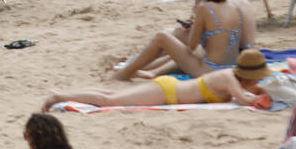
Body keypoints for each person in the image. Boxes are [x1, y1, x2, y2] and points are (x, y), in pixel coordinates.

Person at [112, 0, 248, 81]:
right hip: (231, 67)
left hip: (209, 70)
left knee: (162, 37)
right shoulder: (234, 8)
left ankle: (122, 75)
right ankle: (150, 71)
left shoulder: (205, 8)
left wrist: (194, 29)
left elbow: (192, 45)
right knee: (191, 49)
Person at [41, 48, 273, 111]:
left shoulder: (233, 79)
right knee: (111, 101)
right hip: (167, 92)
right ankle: (58, 96)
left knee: (111, 96)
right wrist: (260, 97)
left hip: (169, 93)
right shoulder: (227, 77)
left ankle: (62, 92)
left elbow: (244, 94)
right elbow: (242, 99)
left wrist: (258, 91)